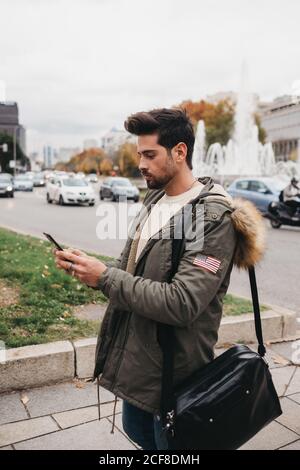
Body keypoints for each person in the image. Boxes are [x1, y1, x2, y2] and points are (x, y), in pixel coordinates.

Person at [54, 108, 266, 450]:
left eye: (150, 154)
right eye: (139, 154)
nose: (140, 163)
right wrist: (89, 268)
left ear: (180, 152)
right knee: (138, 434)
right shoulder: (154, 199)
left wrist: (105, 277)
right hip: (139, 369)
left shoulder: (213, 217)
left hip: (177, 378)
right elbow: (132, 270)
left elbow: (182, 303)